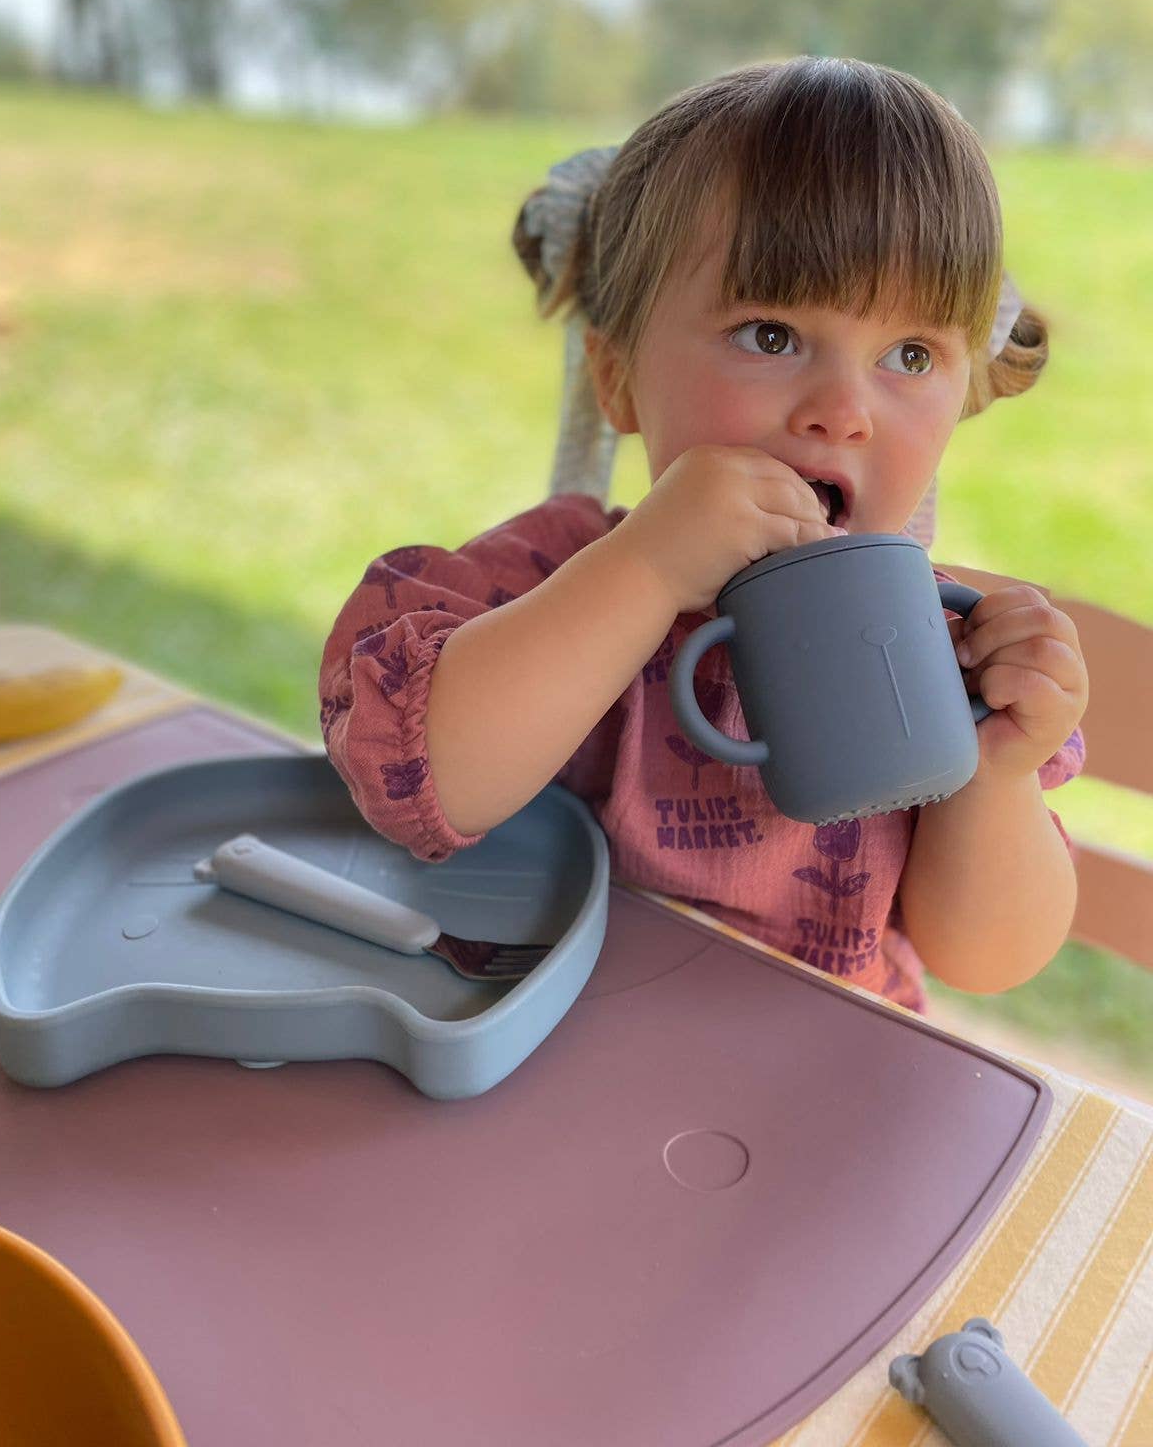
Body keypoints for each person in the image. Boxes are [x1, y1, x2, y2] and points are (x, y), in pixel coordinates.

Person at [319, 56, 1088, 1015]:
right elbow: (422, 786)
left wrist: (1001, 771)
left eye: (909, 355)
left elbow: (987, 957)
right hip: (556, 1038)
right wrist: (642, 572)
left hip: (820, 1074)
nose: (843, 411)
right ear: (616, 378)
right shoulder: (558, 573)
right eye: (770, 335)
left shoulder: (936, 647)